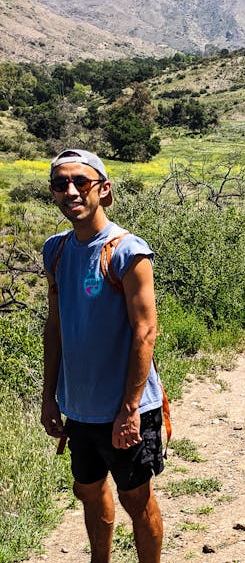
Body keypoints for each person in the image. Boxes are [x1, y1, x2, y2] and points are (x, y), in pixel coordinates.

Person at [40, 148, 164, 563]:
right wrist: (49, 398)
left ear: (104, 191)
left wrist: (129, 410)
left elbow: (145, 332)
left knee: (136, 500)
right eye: (60, 184)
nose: (70, 191)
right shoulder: (55, 251)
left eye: (81, 182)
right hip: (80, 409)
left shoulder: (127, 252)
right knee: (89, 492)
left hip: (125, 411)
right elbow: (55, 327)